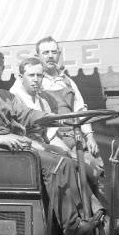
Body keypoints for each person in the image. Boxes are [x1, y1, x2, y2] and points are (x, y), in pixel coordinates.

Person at [0, 49, 104, 235]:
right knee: (57, 165)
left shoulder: (6, 96)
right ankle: (73, 230)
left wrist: (57, 120)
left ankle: (80, 219)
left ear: (2, 71)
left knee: (66, 162)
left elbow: (27, 115)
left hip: (13, 152)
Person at [36, 36, 106, 200]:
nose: (50, 56)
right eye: (45, 52)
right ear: (38, 56)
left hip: (76, 137)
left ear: (59, 54)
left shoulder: (68, 81)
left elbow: (80, 109)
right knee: (80, 169)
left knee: (96, 167)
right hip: (53, 140)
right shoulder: (35, 81)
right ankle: (94, 215)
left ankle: (102, 216)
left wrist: (89, 136)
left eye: (54, 52)